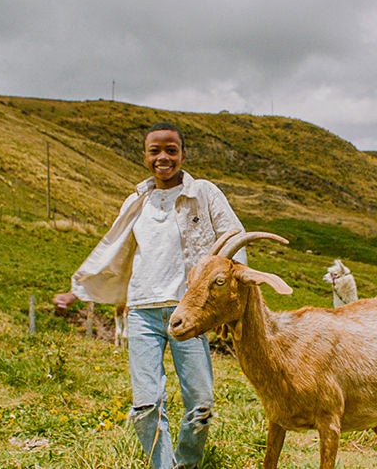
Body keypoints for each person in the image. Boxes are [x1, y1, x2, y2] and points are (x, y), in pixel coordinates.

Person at [53, 122, 246, 469]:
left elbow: (234, 240)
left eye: (171, 150)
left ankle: (185, 463)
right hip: (141, 311)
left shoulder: (203, 192)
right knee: (145, 406)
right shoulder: (136, 201)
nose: (163, 157)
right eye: (155, 150)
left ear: (183, 155)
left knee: (201, 404)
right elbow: (110, 251)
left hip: (187, 312)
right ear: (144, 156)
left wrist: (232, 299)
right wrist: (77, 290)